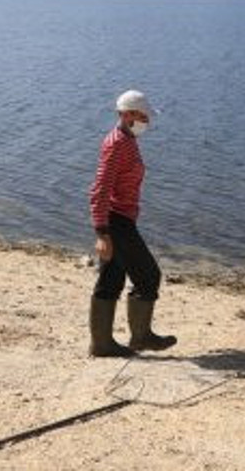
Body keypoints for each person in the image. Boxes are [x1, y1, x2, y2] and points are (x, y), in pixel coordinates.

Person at [87, 89, 177, 357]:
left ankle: (102, 344)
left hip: (120, 218)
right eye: (143, 116)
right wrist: (102, 232)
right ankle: (141, 337)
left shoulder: (127, 139)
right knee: (148, 276)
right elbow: (100, 188)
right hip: (116, 221)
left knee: (111, 278)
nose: (147, 121)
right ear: (127, 115)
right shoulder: (117, 143)